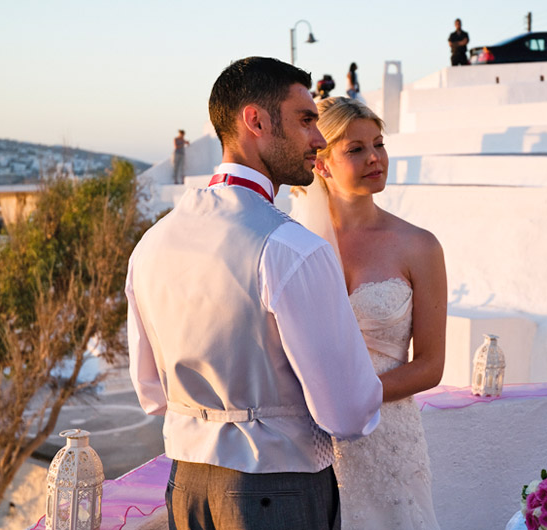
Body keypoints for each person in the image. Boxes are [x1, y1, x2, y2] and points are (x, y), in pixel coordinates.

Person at [125, 57, 383, 530]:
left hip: (186, 487)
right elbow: (347, 412)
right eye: (306, 120)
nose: (319, 138)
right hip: (275, 488)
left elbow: (150, 392)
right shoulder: (293, 248)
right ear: (256, 121)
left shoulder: (152, 243)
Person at [292, 97, 447, 529]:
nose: (375, 157)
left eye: (378, 144)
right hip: (306, 443)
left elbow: (431, 366)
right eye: (355, 149)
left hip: (389, 440)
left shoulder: (419, 246)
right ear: (320, 164)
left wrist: (353, 400)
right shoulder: (293, 244)